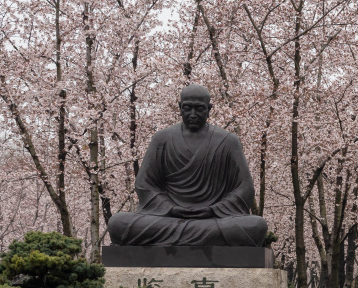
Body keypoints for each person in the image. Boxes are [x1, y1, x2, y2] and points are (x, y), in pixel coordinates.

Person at [107, 84, 268, 246]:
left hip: (214, 219)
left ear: (209, 109)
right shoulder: (162, 139)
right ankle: (201, 240)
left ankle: (180, 240)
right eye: (187, 108)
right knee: (117, 223)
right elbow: (144, 185)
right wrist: (170, 208)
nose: (192, 114)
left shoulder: (228, 141)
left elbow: (245, 189)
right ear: (180, 107)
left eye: (199, 109)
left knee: (256, 226)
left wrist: (213, 210)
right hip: (169, 217)